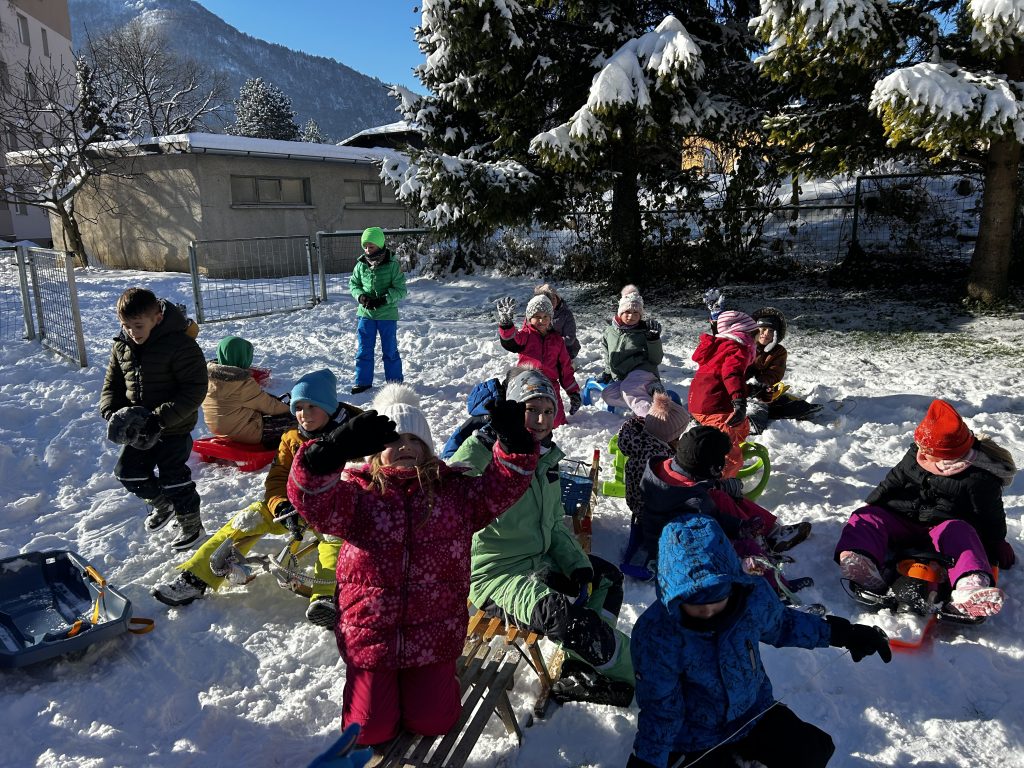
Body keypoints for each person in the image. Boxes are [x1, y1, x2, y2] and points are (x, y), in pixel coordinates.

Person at [286, 382, 539, 750]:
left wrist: (515, 442)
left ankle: (428, 686)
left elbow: (502, 487)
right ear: (374, 452)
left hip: (432, 636)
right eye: (394, 439)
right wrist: (326, 456)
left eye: (415, 439)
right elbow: (312, 501)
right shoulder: (357, 496)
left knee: (435, 720)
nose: (405, 446)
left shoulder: (454, 494)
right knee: (367, 730)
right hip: (371, 636)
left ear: (428, 449)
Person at [627, 515, 892, 768]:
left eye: (717, 603)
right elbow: (661, 707)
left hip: (752, 713)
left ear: (732, 585)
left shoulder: (750, 598)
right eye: (697, 608)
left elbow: (784, 625)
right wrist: (648, 760)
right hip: (694, 735)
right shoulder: (657, 635)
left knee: (814, 750)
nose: (708, 614)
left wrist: (843, 634)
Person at [452, 366, 635, 707]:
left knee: (606, 578)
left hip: (539, 558)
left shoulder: (545, 457)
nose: (541, 420)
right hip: (495, 576)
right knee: (563, 615)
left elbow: (552, 525)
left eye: (548, 410)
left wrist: (577, 564)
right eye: (531, 409)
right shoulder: (478, 452)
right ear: (512, 409)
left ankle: (581, 666)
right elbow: (447, 502)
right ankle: (642, 674)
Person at [153, 369, 360, 626]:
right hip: (298, 507)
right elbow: (277, 478)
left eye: (312, 406)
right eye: (298, 407)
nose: (304, 414)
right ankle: (196, 576)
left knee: (333, 542)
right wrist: (280, 506)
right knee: (248, 519)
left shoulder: (357, 435)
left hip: (337, 512)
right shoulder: (292, 438)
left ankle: (325, 597)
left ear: (329, 407)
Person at [835, 398, 1017, 617]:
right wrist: (873, 502)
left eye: (927, 450)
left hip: (942, 527)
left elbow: (991, 515)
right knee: (865, 517)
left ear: (947, 454)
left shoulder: (978, 478)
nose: (920, 452)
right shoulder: (918, 453)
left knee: (962, 532)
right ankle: (861, 560)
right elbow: (894, 479)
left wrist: (997, 541)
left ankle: (970, 586)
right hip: (903, 518)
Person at [640, 425, 812, 598]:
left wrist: (716, 486)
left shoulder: (663, 467)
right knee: (746, 546)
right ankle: (776, 588)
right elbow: (714, 524)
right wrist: (740, 527)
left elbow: (696, 495)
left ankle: (770, 535)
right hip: (682, 551)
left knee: (722, 496)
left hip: (661, 527)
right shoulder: (697, 502)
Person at [101, 287, 208, 551]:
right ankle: (163, 504)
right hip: (139, 429)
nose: (131, 332)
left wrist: (159, 419)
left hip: (173, 426)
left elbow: (194, 389)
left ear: (157, 318)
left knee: (174, 478)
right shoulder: (122, 346)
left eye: (138, 326)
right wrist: (112, 412)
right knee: (128, 473)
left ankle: (192, 525)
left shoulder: (181, 345)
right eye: (126, 326)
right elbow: (112, 385)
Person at [616, 392, 690, 579]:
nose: (680, 439)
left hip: (637, 503)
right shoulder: (658, 458)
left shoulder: (641, 440)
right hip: (650, 509)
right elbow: (666, 490)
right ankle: (655, 560)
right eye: (678, 435)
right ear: (670, 437)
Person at [688, 309, 758, 478]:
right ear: (746, 334)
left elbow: (721, 380)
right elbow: (732, 374)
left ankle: (725, 457)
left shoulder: (722, 347)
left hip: (706, 400)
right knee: (730, 452)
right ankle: (720, 480)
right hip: (711, 407)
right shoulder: (738, 348)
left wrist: (750, 390)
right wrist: (739, 401)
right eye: (756, 336)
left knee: (742, 425)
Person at [495, 292, 582, 427]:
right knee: (525, 419)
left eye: (545, 316)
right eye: (537, 317)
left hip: (549, 385)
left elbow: (565, 369)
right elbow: (510, 341)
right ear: (529, 318)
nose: (542, 321)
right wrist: (506, 325)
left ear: (551, 317)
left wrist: (573, 392)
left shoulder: (557, 340)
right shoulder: (525, 336)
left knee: (556, 422)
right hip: (527, 382)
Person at [202, 335, 294, 448]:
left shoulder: (209, 378)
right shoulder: (242, 383)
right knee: (296, 421)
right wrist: (292, 410)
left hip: (219, 429)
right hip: (243, 433)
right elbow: (270, 406)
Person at [349, 226, 407, 395]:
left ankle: (395, 382)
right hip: (366, 314)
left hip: (387, 314)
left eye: (371, 246)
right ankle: (363, 381)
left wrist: (384, 299)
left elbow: (401, 290)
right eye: (365, 247)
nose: (367, 250)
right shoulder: (361, 265)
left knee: (390, 350)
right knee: (364, 349)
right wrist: (361, 297)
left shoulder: (392, 265)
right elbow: (354, 284)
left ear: (380, 245)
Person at [745, 307, 822, 434]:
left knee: (789, 405)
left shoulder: (778, 352)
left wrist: (757, 385)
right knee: (754, 412)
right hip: (738, 389)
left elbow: (775, 373)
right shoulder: (744, 346)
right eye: (763, 329)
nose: (766, 333)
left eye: (771, 331)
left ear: (776, 334)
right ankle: (749, 422)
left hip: (761, 390)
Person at [597, 285, 664, 418]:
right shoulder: (609, 332)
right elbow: (607, 354)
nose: (631, 316)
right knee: (608, 394)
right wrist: (608, 372)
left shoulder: (645, 331)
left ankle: (652, 419)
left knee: (629, 388)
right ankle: (650, 393)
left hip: (642, 372)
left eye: (636, 313)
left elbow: (656, 359)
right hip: (623, 377)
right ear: (620, 312)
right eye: (627, 311)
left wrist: (653, 339)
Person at [534, 283, 580, 359]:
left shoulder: (566, 314)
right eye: (549, 298)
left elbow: (570, 338)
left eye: (554, 298)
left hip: (566, 347)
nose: (552, 301)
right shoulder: (535, 315)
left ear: (558, 298)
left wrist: (552, 343)